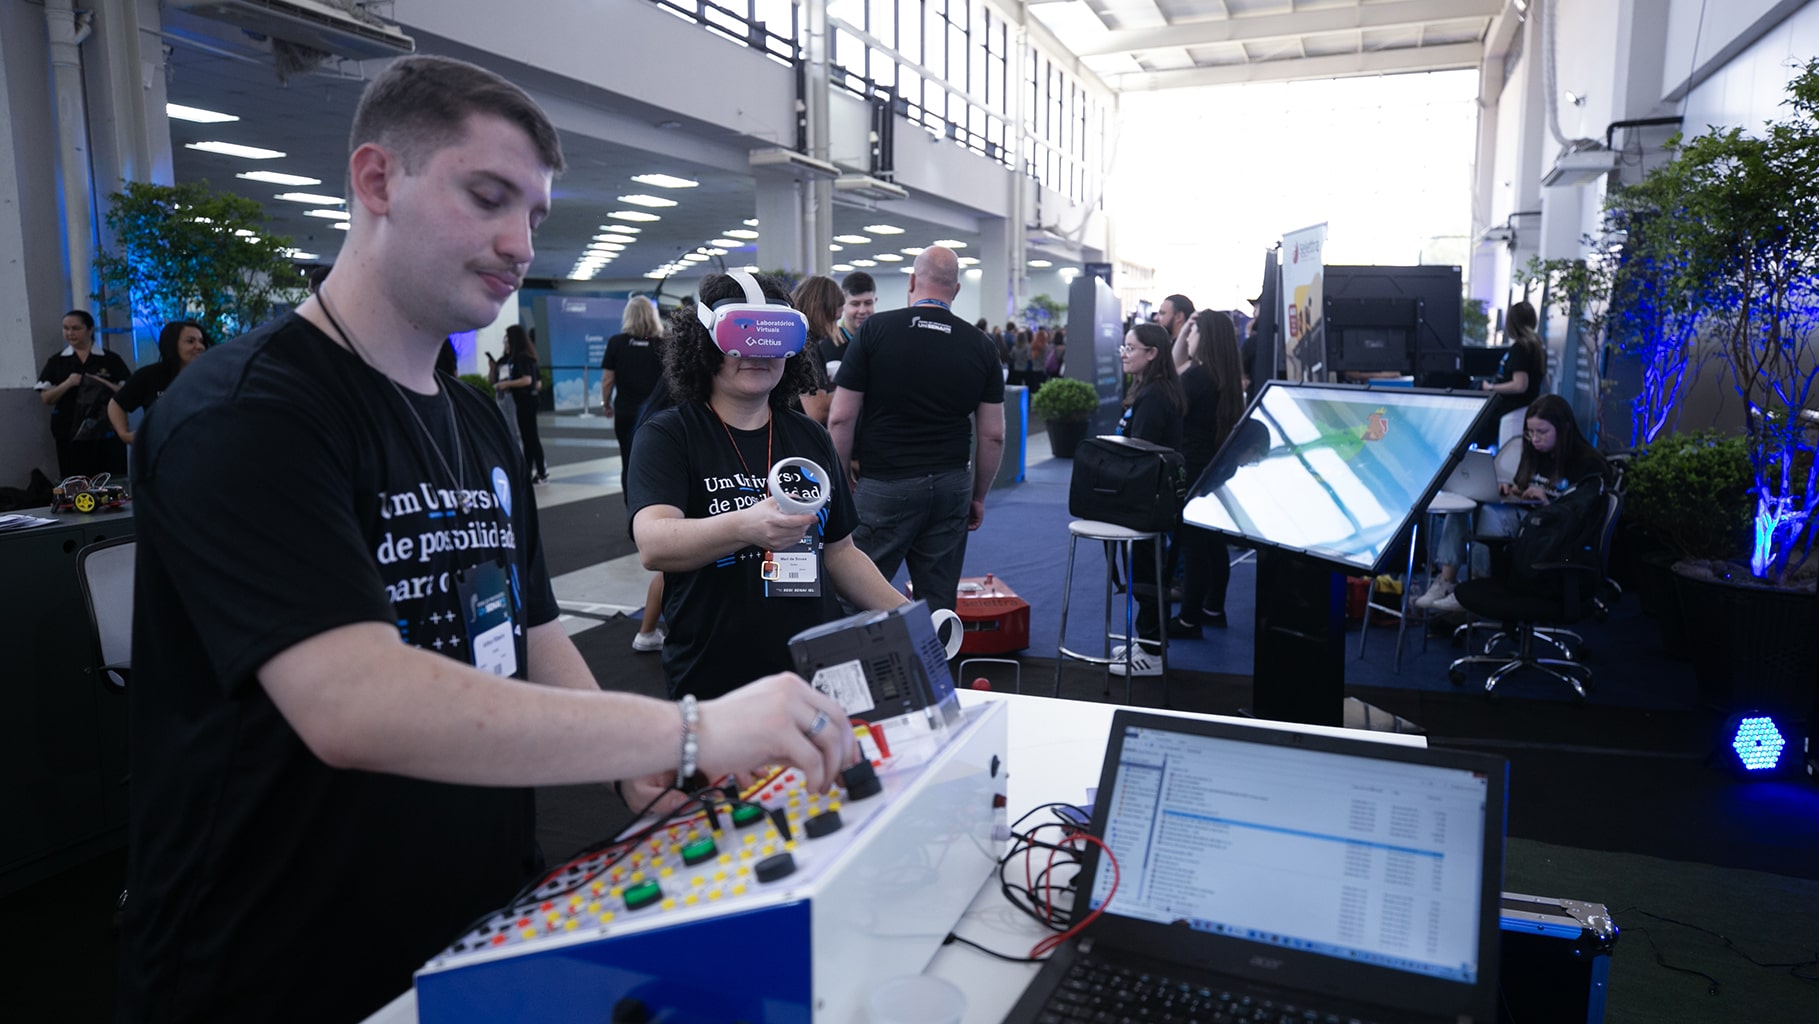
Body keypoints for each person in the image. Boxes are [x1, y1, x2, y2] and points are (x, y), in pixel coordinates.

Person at [119, 56, 856, 1024]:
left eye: (536, 215)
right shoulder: (252, 411)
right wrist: (687, 728)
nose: (517, 242)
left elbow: (531, 625)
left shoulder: (470, 420)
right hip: (276, 949)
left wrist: (632, 765)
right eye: (487, 195)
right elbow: (353, 705)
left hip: (472, 910)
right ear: (378, 180)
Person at [626, 271, 907, 700]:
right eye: (743, 334)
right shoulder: (669, 436)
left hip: (812, 672)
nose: (758, 353)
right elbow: (654, 543)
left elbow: (840, 553)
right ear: (706, 343)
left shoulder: (809, 436)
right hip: (715, 679)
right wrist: (744, 526)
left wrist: (909, 618)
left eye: (774, 336)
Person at [828, 247, 1007, 615]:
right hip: (951, 484)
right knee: (938, 603)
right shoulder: (981, 345)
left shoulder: (876, 331)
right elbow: (993, 435)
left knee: (854, 595)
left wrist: (842, 478)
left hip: (885, 485)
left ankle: (848, 672)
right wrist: (978, 496)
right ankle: (933, 671)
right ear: (955, 290)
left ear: (912, 281)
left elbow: (840, 418)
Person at [1418, 394, 1610, 616]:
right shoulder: (1536, 451)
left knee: (1490, 513)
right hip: (1528, 517)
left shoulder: (1587, 462)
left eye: (1542, 432)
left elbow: (1583, 512)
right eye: (1530, 432)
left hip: (1550, 530)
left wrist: (1550, 502)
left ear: (1565, 427)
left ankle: (1481, 584)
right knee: (1466, 506)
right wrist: (1513, 489)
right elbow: (1525, 484)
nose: (1535, 439)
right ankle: (1446, 581)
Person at [1109, 322, 1187, 676]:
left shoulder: (1155, 395)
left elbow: (1143, 453)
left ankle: (1152, 651)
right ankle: (1148, 640)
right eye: (1123, 347)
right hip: (1148, 498)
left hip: (1148, 501)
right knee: (1145, 568)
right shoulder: (1154, 390)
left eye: (1131, 348)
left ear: (1152, 353)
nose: (1124, 354)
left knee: (1146, 571)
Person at [1169, 310, 1245, 638]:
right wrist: (1188, 327)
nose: (1188, 338)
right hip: (1213, 470)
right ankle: (1212, 608)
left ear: (1207, 338)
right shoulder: (1223, 378)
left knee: (1194, 548)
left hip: (1192, 471)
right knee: (1211, 545)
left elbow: (1172, 370)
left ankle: (1189, 620)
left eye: (1194, 332)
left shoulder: (1197, 378)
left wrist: (1184, 330)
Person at [35, 309, 131, 478]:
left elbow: (127, 393)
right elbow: (46, 397)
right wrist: (68, 383)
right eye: (66, 328)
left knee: (111, 478)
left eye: (76, 328)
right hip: (69, 431)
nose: (70, 333)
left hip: (106, 431)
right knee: (75, 480)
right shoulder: (57, 361)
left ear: (90, 329)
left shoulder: (110, 359)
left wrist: (101, 382)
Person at [107, 320, 210, 446]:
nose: (199, 347)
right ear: (172, 344)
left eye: (201, 341)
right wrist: (124, 434)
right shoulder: (150, 375)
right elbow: (116, 404)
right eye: (190, 341)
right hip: (161, 453)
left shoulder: (210, 376)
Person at [600, 295, 666, 477]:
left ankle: (632, 502)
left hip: (626, 411)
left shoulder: (616, 343)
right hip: (658, 412)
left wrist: (605, 403)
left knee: (628, 460)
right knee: (660, 459)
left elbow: (607, 380)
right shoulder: (663, 344)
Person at [495, 323, 548, 483]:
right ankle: (533, 470)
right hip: (529, 399)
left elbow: (527, 380)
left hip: (525, 401)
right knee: (529, 437)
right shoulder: (529, 357)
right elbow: (537, 383)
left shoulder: (521, 358)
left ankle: (539, 471)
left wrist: (507, 385)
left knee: (530, 437)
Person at [790, 274, 845, 424]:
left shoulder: (794, 339)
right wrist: (854, 388)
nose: (832, 330)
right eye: (832, 320)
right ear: (821, 311)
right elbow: (817, 411)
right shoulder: (806, 346)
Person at [1482, 300, 1545, 411]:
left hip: (1514, 411)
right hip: (1526, 408)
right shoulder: (1537, 346)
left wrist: (1491, 388)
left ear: (1511, 323)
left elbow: (1519, 385)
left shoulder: (1520, 348)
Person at [820, 269, 875, 369]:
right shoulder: (830, 345)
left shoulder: (880, 341)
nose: (862, 311)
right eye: (855, 304)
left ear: (875, 301)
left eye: (868, 303)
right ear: (842, 304)